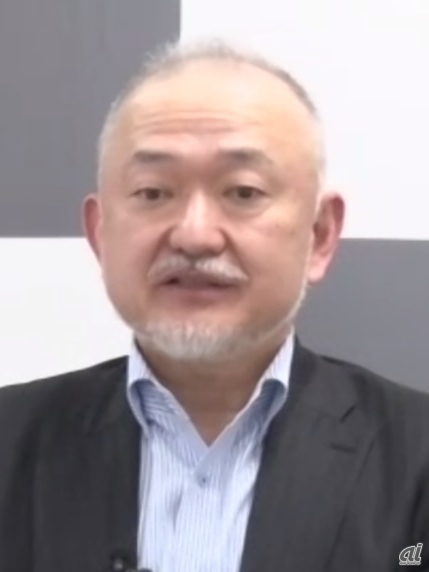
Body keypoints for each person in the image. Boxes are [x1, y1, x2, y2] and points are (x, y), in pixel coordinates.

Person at [1, 39, 428, 572]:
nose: (195, 235)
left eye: (243, 192)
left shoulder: (416, 457)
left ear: (320, 234)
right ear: (100, 233)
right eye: (154, 193)